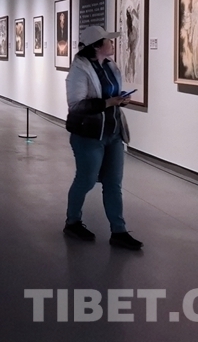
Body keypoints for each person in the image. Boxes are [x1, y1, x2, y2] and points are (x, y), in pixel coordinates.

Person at [63, 25, 143, 250]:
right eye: (109, 40)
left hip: (113, 132)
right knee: (86, 180)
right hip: (89, 135)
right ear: (97, 46)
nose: (112, 43)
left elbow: (111, 96)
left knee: (113, 183)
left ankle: (119, 231)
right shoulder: (79, 70)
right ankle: (72, 222)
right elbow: (76, 105)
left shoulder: (110, 66)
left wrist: (120, 100)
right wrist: (108, 102)